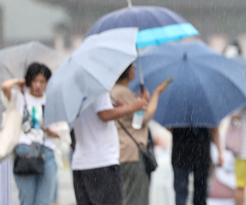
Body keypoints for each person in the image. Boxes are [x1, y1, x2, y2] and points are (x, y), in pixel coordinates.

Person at [71, 71, 148, 205]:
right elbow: (104, 115)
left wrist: (112, 107)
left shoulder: (77, 91)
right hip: (102, 163)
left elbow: (95, 115)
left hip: (81, 164)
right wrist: (132, 107)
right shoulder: (98, 87)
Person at [110, 63, 169, 205]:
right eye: (132, 67)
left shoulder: (114, 91)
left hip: (120, 151)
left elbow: (134, 117)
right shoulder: (123, 92)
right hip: (131, 153)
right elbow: (142, 119)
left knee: (125, 196)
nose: (135, 69)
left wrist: (142, 102)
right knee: (136, 198)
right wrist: (156, 94)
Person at [1, 63, 59, 205]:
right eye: (34, 80)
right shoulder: (19, 98)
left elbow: (61, 131)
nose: (38, 85)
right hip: (25, 151)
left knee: (44, 201)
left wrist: (49, 130)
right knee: (27, 200)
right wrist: (18, 81)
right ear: (29, 81)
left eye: (42, 81)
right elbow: (5, 87)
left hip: (47, 151)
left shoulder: (51, 100)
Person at [172, 126, 224, 205]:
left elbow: (169, 126)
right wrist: (219, 152)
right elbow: (214, 128)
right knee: (200, 194)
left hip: (180, 152)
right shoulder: (205, 114)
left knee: (181, 193)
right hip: (201, 152)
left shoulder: (176, 114)